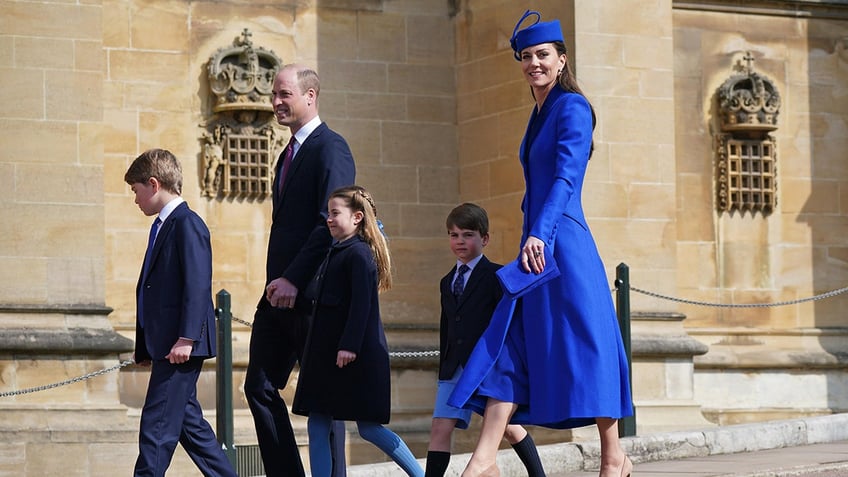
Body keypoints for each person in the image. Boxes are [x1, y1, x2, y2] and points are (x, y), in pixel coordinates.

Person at [448, 10, 633, 477]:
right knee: (511, 342)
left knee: (589, 343)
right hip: (539, 241)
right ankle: (483, 460)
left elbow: (566, 178)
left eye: (543, 55)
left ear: (561, 58)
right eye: (527, 56)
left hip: (562, 242)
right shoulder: (537, 112)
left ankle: (613, 457)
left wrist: (538, 232)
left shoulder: (572, 107)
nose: (534, 62)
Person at [245, 64, 355, 477]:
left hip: (315, 295)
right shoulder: (286, 154)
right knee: (257, 386)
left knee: (325, 400)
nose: (275, 102)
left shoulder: (332, 148)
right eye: (274, 95)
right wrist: (280, 281)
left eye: (284, 94)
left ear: (311, 96)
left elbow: (331, 222)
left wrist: (295, 277)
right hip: (279, 294)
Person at [292, 186, 424, 477]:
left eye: (335, 213)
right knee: (318, 422)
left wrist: (349, 346)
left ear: (357, 217)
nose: (329, 218)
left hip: (353, 357)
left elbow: (362, 305)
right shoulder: (336, 251)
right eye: (328, 212)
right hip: (328, 357)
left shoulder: (359, 254)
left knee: (369, 428)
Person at [125, 148, 237, 477]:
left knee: (156, 430)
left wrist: (187, 337)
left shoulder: (187, 223)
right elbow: (151, 288)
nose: (135, 200)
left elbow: (197, 284)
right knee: (193, 431)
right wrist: (145, 345)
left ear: (154, 184)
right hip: (166, 345)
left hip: (181, 347)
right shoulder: (162, 226)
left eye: (136, 191)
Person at [425, 203, 545, 477]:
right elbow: (448, 325)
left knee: (508, 429)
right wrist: (443, 366)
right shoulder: (446, 281)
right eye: (454, 235)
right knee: (440, 428)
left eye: (467, 235)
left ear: (485, 238)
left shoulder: (497, 277)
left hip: (487, 366)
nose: (460, 241)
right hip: (453, 367)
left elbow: (507, 324)